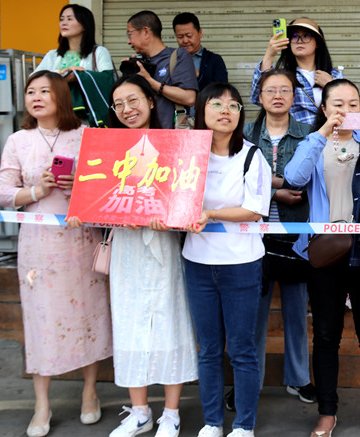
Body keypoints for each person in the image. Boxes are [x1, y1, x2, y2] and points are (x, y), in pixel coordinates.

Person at [71, 74, 198, 437]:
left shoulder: (174, 145)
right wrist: (88, 212)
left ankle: (171, 413)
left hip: (163, 247)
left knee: (169, 320)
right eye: (119, 104)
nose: (127, 109)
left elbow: (185, 201)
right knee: (129, 324)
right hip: (126, 249)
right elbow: (95, 199)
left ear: (150, 100)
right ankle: (140, 411)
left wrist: (169, 220)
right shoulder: (104, 149)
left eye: (134, 100)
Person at [0, 71, 113, 437]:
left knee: (88, 314)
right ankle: (41, 404)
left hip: (81, 241)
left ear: (61, 96)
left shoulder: (86, 136)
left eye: (45, 91)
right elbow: (2, 193)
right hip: (39, 246)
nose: (36, 97)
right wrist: (36, 191)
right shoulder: (18, 140)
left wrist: (79, 185)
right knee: (41, 320)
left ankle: (90, 392)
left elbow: (107, 188)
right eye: (31, 91)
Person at [284, 80, 360, 437]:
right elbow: (294, 177)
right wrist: (323, 132)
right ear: (324, 109)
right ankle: (327, 412)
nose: (346, 110)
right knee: (325, 335)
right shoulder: (314, 143)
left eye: (353, 104)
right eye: (337, 104)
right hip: (325, 251)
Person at [183, 83, 272, 437]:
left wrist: (211, 214)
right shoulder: (187, 156)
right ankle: (212, 422)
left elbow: (255, 209)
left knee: (241, 349)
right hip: (197, 263)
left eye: (233, 106)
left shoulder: (251, 156)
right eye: (217, 104)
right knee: (208, 349)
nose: (226, 111)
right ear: (201, 111)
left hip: (241, 264)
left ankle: (244, 425)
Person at [241, 69, 315, 405]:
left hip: (294, 235)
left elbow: (314, 181)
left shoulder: (308, 134)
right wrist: (277, 192)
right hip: (251, 237)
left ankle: (298, 379)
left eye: (285, 90)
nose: (277, 96)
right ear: (259, 97)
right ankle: (249, 383)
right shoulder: (244, 134)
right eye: (270, 90)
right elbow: (234, 182)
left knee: (296, 313)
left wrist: (273, 185)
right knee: (252, 316)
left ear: (294, 97)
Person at [250, 17, 343, 125]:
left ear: (317, 42)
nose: (299, 41)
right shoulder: (284, 77)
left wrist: (330, 85)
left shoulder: (333, 75)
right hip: (295, 135)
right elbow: (257, 97)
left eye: (306, 36)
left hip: (329, 133)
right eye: (294, 36)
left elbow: (347, 109)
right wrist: (269, 55)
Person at [37, 4, 115, 126]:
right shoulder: (53, 55)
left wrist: (80, 76)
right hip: (55, 115)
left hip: (87, 119)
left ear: (84, 25)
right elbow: (35, 79)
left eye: (69, 19)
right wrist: (64, 73)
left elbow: (108, 79)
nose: (64, 23)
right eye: (61, 19)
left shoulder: (99, 52)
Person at [126, 10, 198, 129]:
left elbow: (189, 98)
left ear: (145, 32)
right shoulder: (140, 63)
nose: (128, 41)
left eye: (130, 34)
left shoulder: (177, 56)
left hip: (171, 133)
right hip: (144, 135)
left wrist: (151, 82)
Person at [172, 12, 229, 90]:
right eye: (180, 36)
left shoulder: (215, 60)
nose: (185, 40)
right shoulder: (171, 60)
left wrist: (198, 76)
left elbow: (222, 91)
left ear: (200, 33)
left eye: (189, 36)